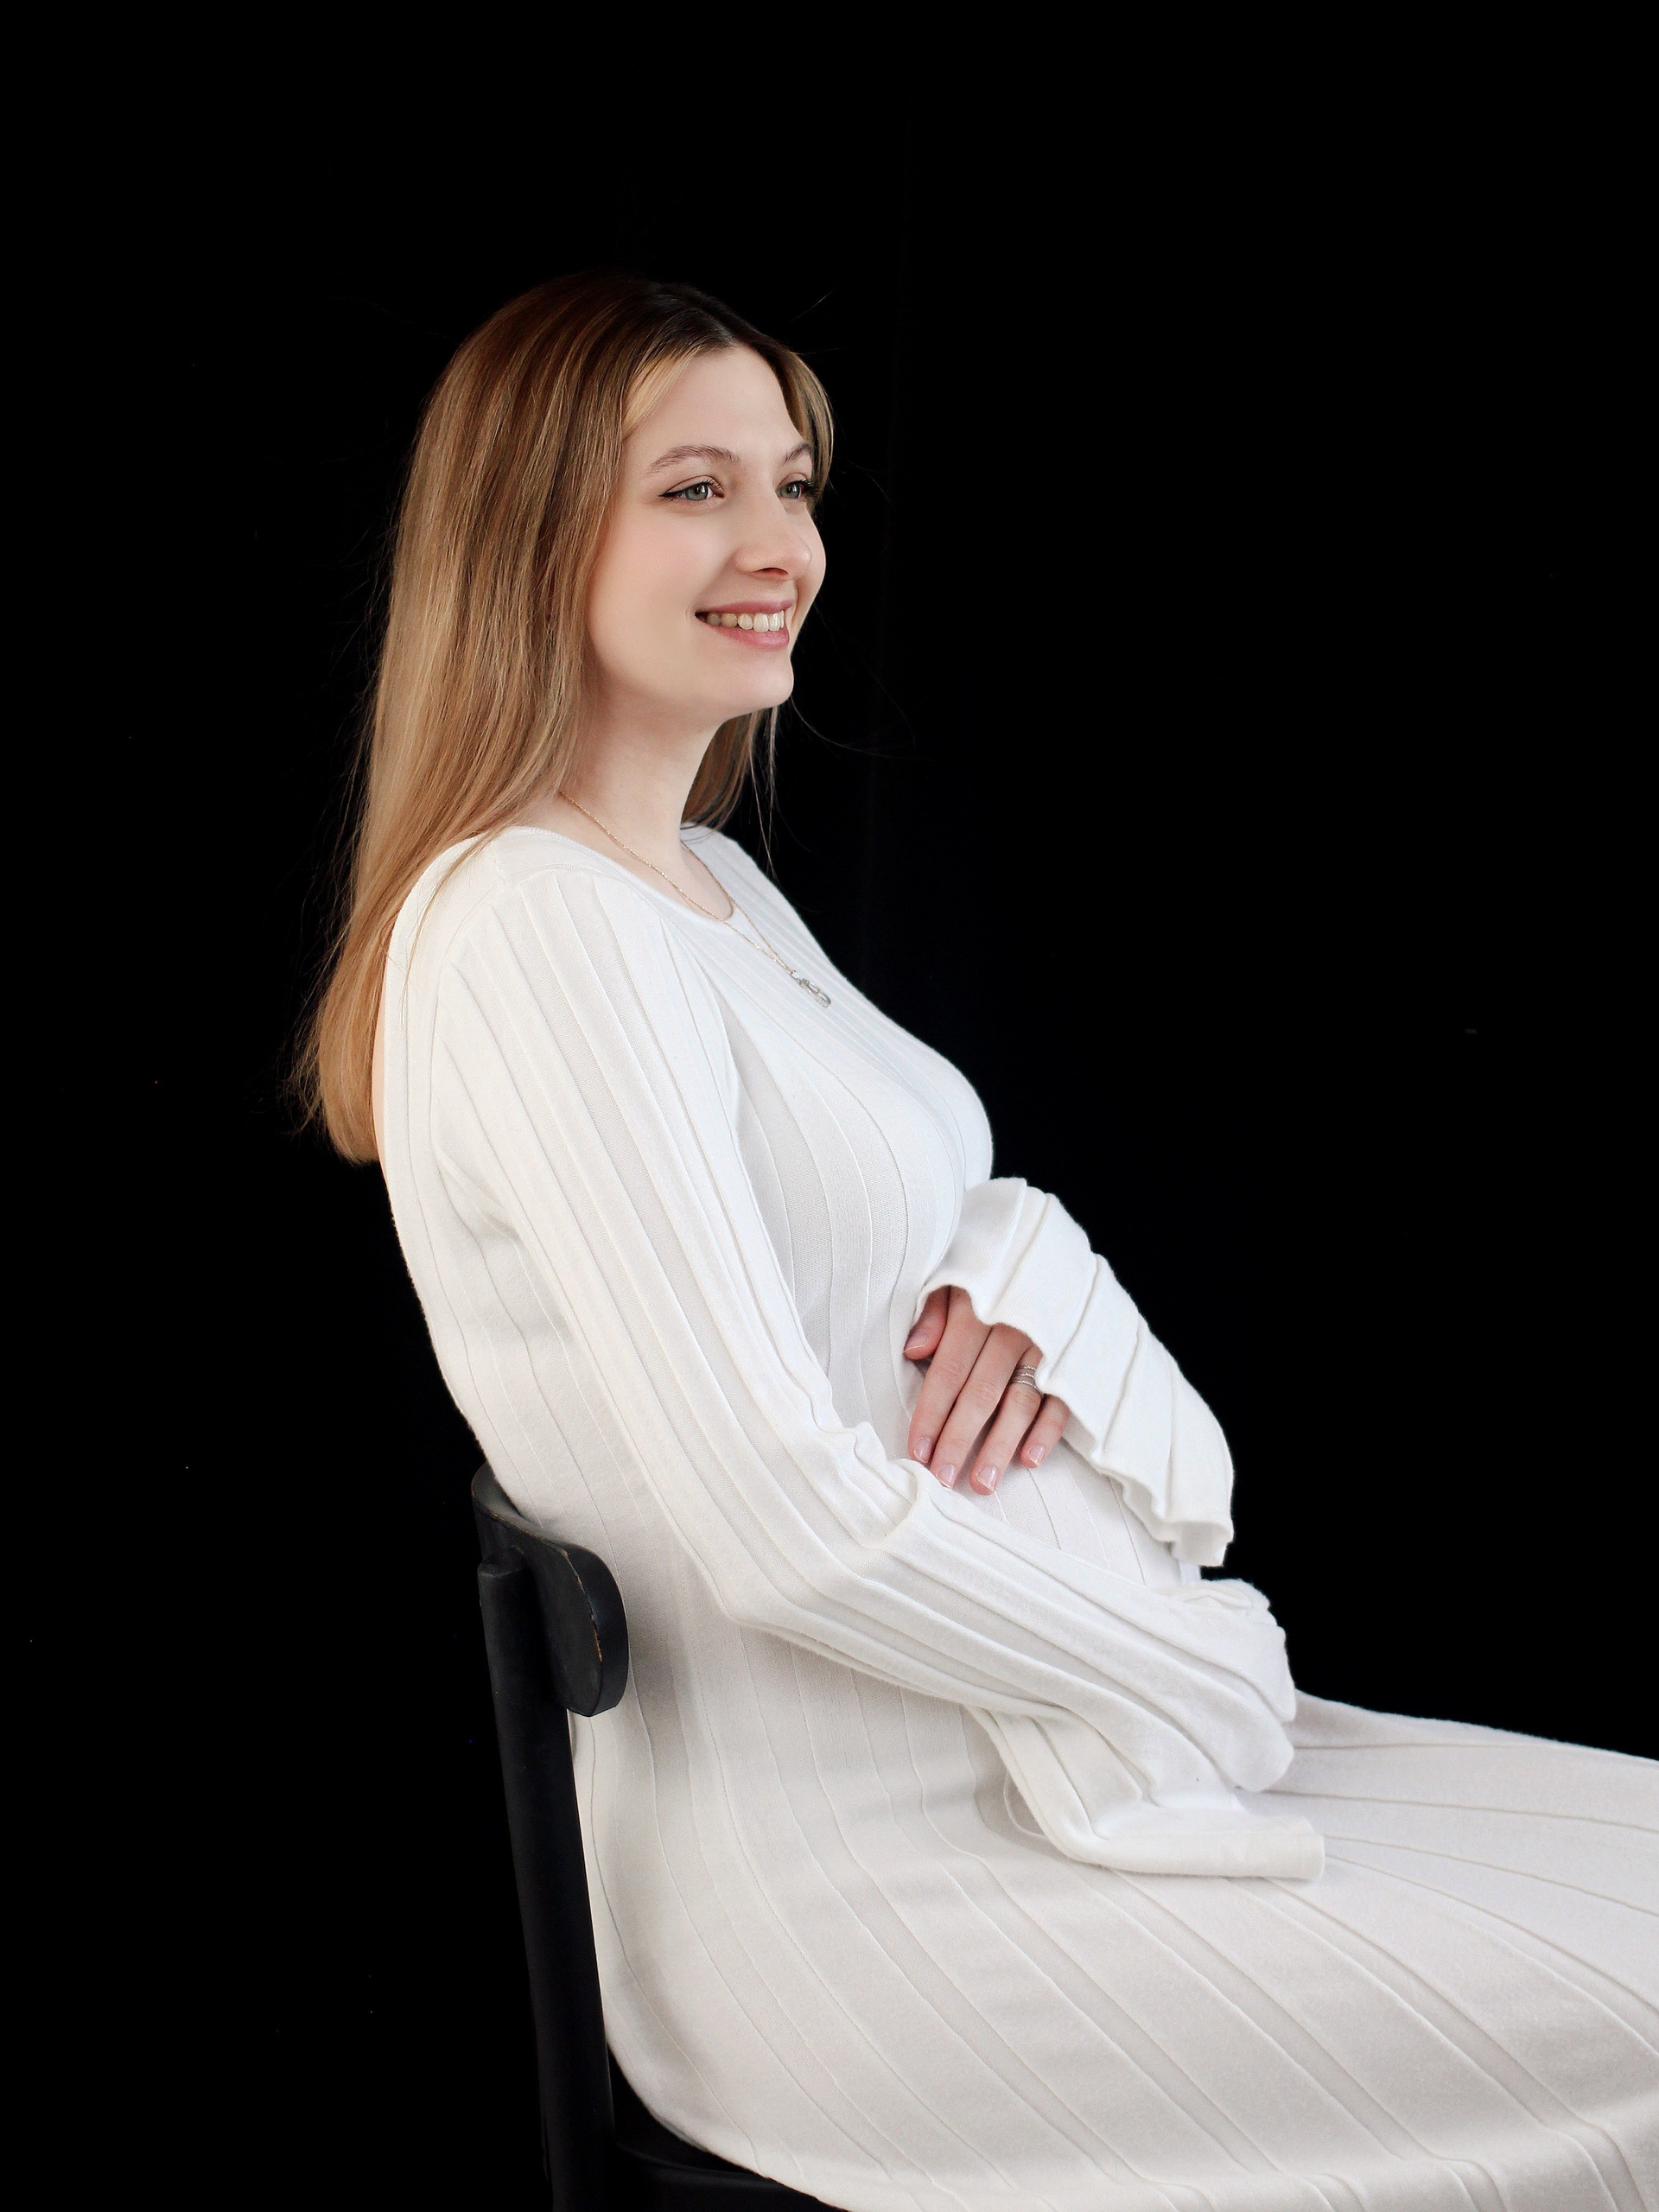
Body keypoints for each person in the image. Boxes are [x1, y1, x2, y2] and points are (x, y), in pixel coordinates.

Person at [303, 274, 1656, 2211]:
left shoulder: (706, 887)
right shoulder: (535, 930)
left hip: (1039, 1765)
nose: (779, 546)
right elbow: (778, 1518)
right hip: (873, 1892)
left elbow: (940, 1200)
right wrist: (1183, 1679)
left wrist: (1015, 1268)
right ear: (527, 538)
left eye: (792, 483)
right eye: (694, 489)